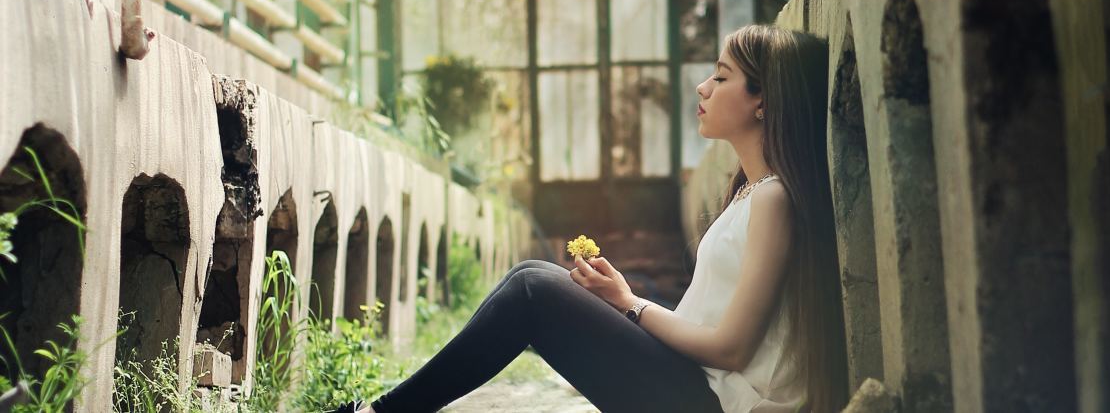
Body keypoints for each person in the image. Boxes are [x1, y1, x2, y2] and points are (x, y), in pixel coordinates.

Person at [328, 24, 848, 413]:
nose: (702, 88)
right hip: (696, 387)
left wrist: (630, 305)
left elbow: (732, 349)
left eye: (721, 76)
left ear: (763, 102)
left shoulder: (775, 199)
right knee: (528, 277)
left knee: (534, 287)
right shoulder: (749, 195)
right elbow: (708, 328)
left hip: (716, 404)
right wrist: (623, 299)